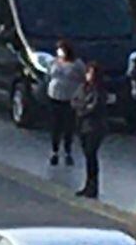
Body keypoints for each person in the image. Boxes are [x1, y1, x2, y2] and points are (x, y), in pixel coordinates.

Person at [46, 38, 85, 166]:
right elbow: (48, 75)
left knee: (68, 126)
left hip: (69, 98)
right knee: (55, 126)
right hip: (54, 96)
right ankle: (54, 151)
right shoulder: (53, 62)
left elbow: (83, 78)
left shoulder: (77, 64)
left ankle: (68, 151)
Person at [73, 61, 107, 199]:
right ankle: (88, 185)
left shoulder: (99, 91)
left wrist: (82, 109)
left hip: (95, 127)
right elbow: (75, 100)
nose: (89, 76)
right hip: (82, 126)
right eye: (87, 73)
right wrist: (81, 107)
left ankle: (93, 186)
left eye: (91, 73)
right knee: (87, 156)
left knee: (91, 155)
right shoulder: (83, 87)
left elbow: (94, 107)